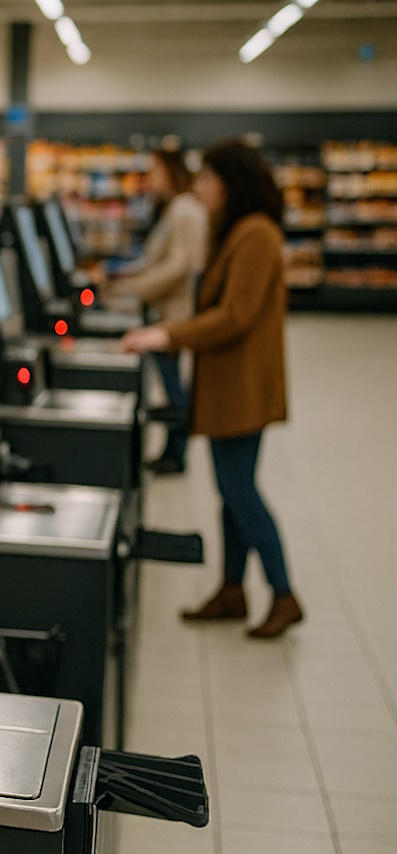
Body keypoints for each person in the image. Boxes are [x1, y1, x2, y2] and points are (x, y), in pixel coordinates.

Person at [121, 139, 301, 639]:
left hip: (243, 386)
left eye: (207, 180)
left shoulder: (257, 235)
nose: (199, 188)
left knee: (240, 490)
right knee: (229, 491)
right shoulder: (235, 231)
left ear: (231, 184)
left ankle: (284, 594)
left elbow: (235, 315)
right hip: (229, 383)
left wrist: (168, 333)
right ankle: (231, 590)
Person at [108, 149, 208, 475]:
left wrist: (134, 288)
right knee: (169, 383)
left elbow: (178, 266)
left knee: (172, 386)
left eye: (155, 171)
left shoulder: (184, 211)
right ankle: (172, 450)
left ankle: (176, 454)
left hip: (173, 314)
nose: (150, 179)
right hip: (165, 309)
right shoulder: (174, 209)